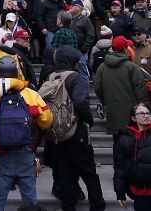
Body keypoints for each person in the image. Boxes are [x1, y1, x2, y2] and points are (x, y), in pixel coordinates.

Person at [0, 52, 53, 211]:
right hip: (26, 151)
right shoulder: (30, 93)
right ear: (17, 72)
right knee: (30, 199)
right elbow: (47, 120)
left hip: (2, 153)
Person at [46, 46, 106, 211]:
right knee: (89, 172)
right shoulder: (75, 78)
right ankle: (97, 205)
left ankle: (68, 206)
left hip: (56, 133)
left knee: (65, 174)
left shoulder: (51, 77)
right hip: (75, 131)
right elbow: (81, 103)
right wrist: (88, 120)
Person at [95, 36, 149, 135]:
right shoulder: (132, 67)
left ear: (113, 48)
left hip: (112, 112)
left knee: (117, 141)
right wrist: (143, 105)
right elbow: (139, 88)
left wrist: (105, 100)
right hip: (130, 113)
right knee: (131, 141)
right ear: (125, 49)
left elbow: (98, 88)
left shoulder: (102, 67)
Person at [69, 0, 96, 87]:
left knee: (82, 72)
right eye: (71, 4)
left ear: (80, 8)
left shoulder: (85, 20)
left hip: (81, 51)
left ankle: (84, 93)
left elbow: (91, 35)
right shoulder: (68, 19)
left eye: (74, 5)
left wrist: (84, 49)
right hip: (70, 50)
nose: (71, 6)